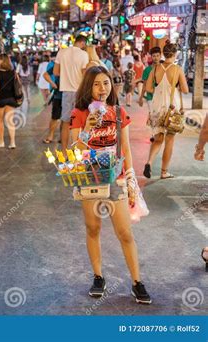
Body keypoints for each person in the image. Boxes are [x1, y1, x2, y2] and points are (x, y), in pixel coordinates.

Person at [70, 66, 152, 305]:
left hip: (115, 178)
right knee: (93, 228)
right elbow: (75, 151)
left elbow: (125, 148)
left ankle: (137, 282)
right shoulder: (79, 113)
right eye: (96, 84)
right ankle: (98, 277)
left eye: (106, 83)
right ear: (89, 87)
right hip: (89, 178)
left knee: (125, 232)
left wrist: (130, 177)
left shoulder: (118, 112)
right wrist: (87, 128)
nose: (102, 88)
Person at [143, 42, 189, 179]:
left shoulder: (156, 68)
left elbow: (149, 89)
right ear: (175, 55)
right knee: (169, 140)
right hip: (172, 107)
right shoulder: (177, 69)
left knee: (158, 139)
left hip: (157, 107)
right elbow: (186, 90)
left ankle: (149, 162)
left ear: (164, 54)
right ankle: (164, 172)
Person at [54, 34, 89, 152]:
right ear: (83, 43)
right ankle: (78, 151)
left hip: (66, 92)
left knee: (65, 122)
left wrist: (66, 74)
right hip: (80, 92)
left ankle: (64, 151)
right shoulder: (84, 55)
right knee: (81, 123)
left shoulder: (62, 52)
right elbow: (85, 75)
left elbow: (56, 72)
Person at [0, 54, 19, 149]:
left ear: (3, 61)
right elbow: (17, 84)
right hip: (11, 99)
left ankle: (1, 141)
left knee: (0, 121)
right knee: (10, 121)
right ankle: (12, 143)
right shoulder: (13, 72)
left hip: (0, 100)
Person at [43, 51, 62, 144]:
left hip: (69, 95)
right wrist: (52, 83)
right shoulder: (55, 65)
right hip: (58, 95)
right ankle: (50, 136)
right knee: (55, 116)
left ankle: (63, 137)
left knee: (65, 118)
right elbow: (45, 74)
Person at [138, 47, 162, 114]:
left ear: (160, 56)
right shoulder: (147, 70)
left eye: (157, 56)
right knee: (152, 115)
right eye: (154, 56)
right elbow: (144, 85)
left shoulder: (164, 69)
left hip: (161, 97)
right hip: (150, 97)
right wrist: (141, 98)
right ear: (151, 56)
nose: (156, 58)